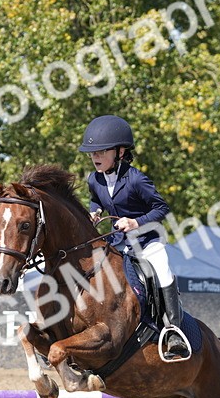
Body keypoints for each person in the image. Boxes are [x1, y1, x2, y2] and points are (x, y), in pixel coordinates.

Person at [79, 114, 191, 362]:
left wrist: (135, 222)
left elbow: (161, 208)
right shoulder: (93, 179)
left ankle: (174, 331)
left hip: (147, 241)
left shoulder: (137, 179)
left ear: (119, 152)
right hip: (118, 245)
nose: (95, 157)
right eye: (92, 153)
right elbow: (97, 199)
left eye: (101, 152)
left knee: (162, 269)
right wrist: (95, 212)